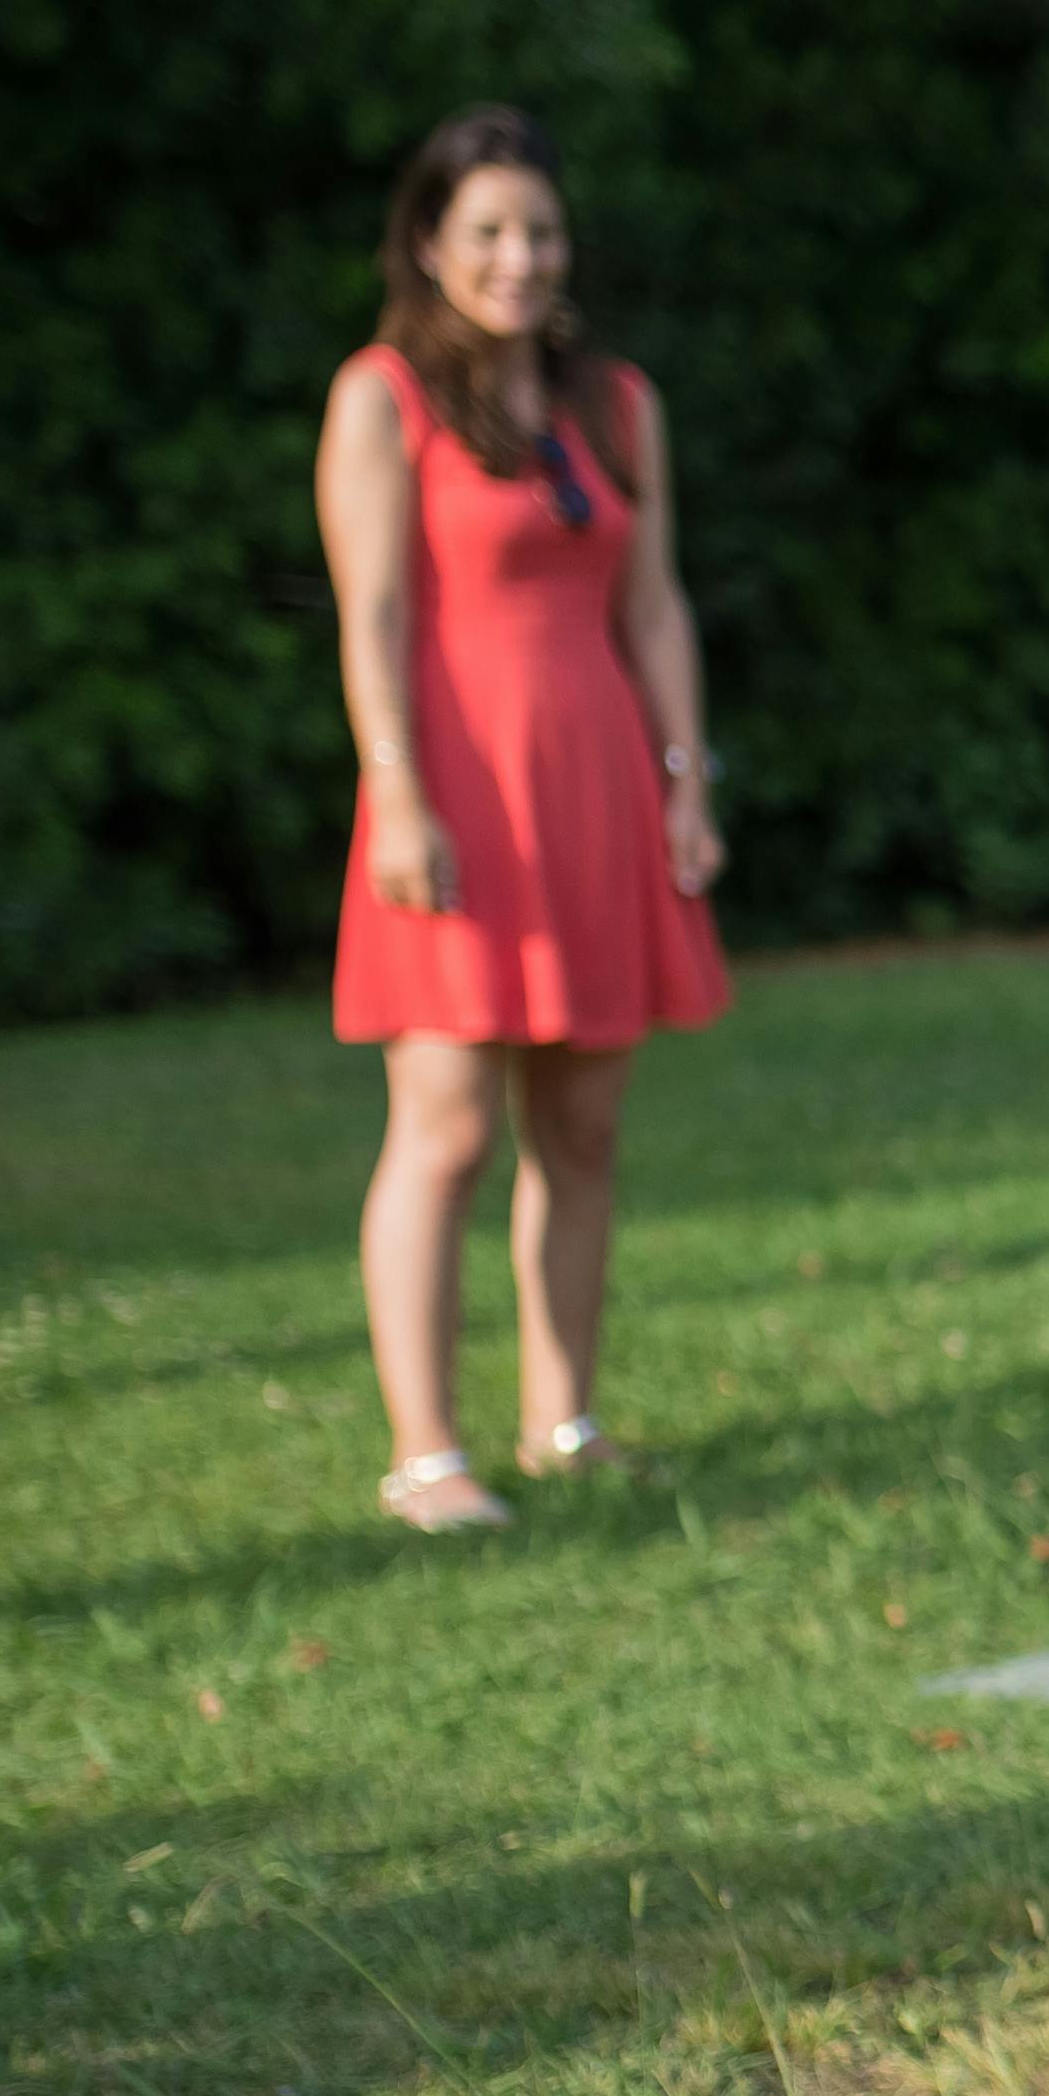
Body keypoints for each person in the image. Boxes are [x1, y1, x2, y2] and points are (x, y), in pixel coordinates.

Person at [317, 104, 727, 1534]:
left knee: (587, 1124)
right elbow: (371, 609)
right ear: (429, 244)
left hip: (601, 790)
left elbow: (654, 602)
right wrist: (396, 792)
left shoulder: (616, 403)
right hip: (457, 799)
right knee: (444, 1130)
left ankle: (565, 1418)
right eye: (485, 228)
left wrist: (687, 781)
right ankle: (425, 1452)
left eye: (539, 229)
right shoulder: (383, 398)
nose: (518, 255)